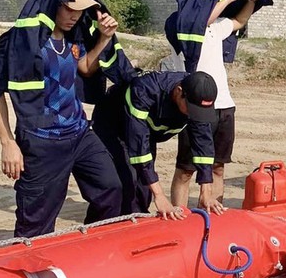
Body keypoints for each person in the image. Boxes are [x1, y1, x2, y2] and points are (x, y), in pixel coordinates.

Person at [0, 0, 123, 238]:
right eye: (69, 8)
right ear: (53, 2)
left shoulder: (73, 37)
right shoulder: (19, 41)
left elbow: (85, 68)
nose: (75, 16)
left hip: (79, 133)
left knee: (111, 189)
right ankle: (28, 270)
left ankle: (87, 247)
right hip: (42, 141)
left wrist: (103, 39)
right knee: (37, 223)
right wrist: (7, 142)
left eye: (80, 11)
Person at [170, 0, 261, 207]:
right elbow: (202, 20)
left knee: (218, 166)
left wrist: (251, 0)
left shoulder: (214, 28)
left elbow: (239, 21)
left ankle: (211, 214)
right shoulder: (180, 26)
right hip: (194, 105)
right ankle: (179, 219)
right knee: (186, 169)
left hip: (224, 106)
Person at [93, 71, 224, 218]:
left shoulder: (196, 96)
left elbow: (203, 144)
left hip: (146, 133)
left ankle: (137, 224)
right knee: (123, 183)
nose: (194, 115)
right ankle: (99, 227)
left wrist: (206, 193)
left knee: (142, 189)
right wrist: (160, 195)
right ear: (179, 92)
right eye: (192, 109)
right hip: (113, 125)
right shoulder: (145, 90)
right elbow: (139, 146)